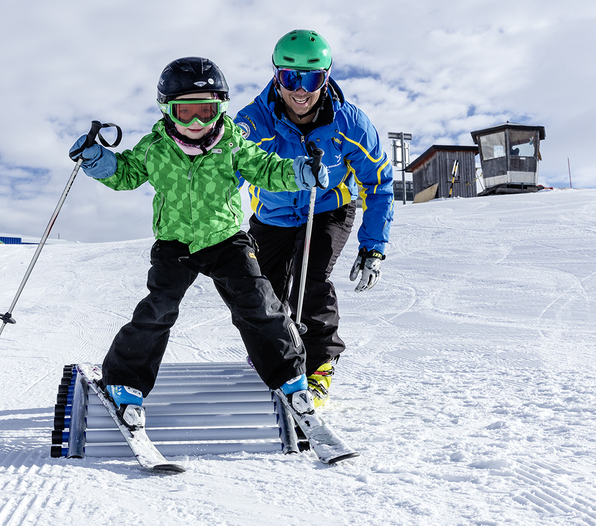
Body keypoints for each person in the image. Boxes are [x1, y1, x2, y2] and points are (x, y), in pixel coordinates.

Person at [68, 57, 330, 429]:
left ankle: (289, 377)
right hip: (174, 243)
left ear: (220, 109)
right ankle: (125, 381)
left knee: (258, 301)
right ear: (167, 110)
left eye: (205, 112)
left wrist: (299, 171)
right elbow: (126, 174)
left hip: (225, 239)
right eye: (185, 111)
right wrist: (99, 161)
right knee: (158, 309)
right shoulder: (155, 147)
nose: (195, 122)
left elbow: (266, 167)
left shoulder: (233, 144)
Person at [235, 30, 394, 407]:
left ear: (326, 76)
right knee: (260, 292)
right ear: (276, 76)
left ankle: (320, 364)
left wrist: (373, 247)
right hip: (272, 214)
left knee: (312, 279)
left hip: (327, 209)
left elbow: (378, 183)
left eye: (312, 79)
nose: (300, 90)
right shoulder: (254, 121)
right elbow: (226, 172)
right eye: (290, 77)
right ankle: (274, 357)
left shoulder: (349, 124)